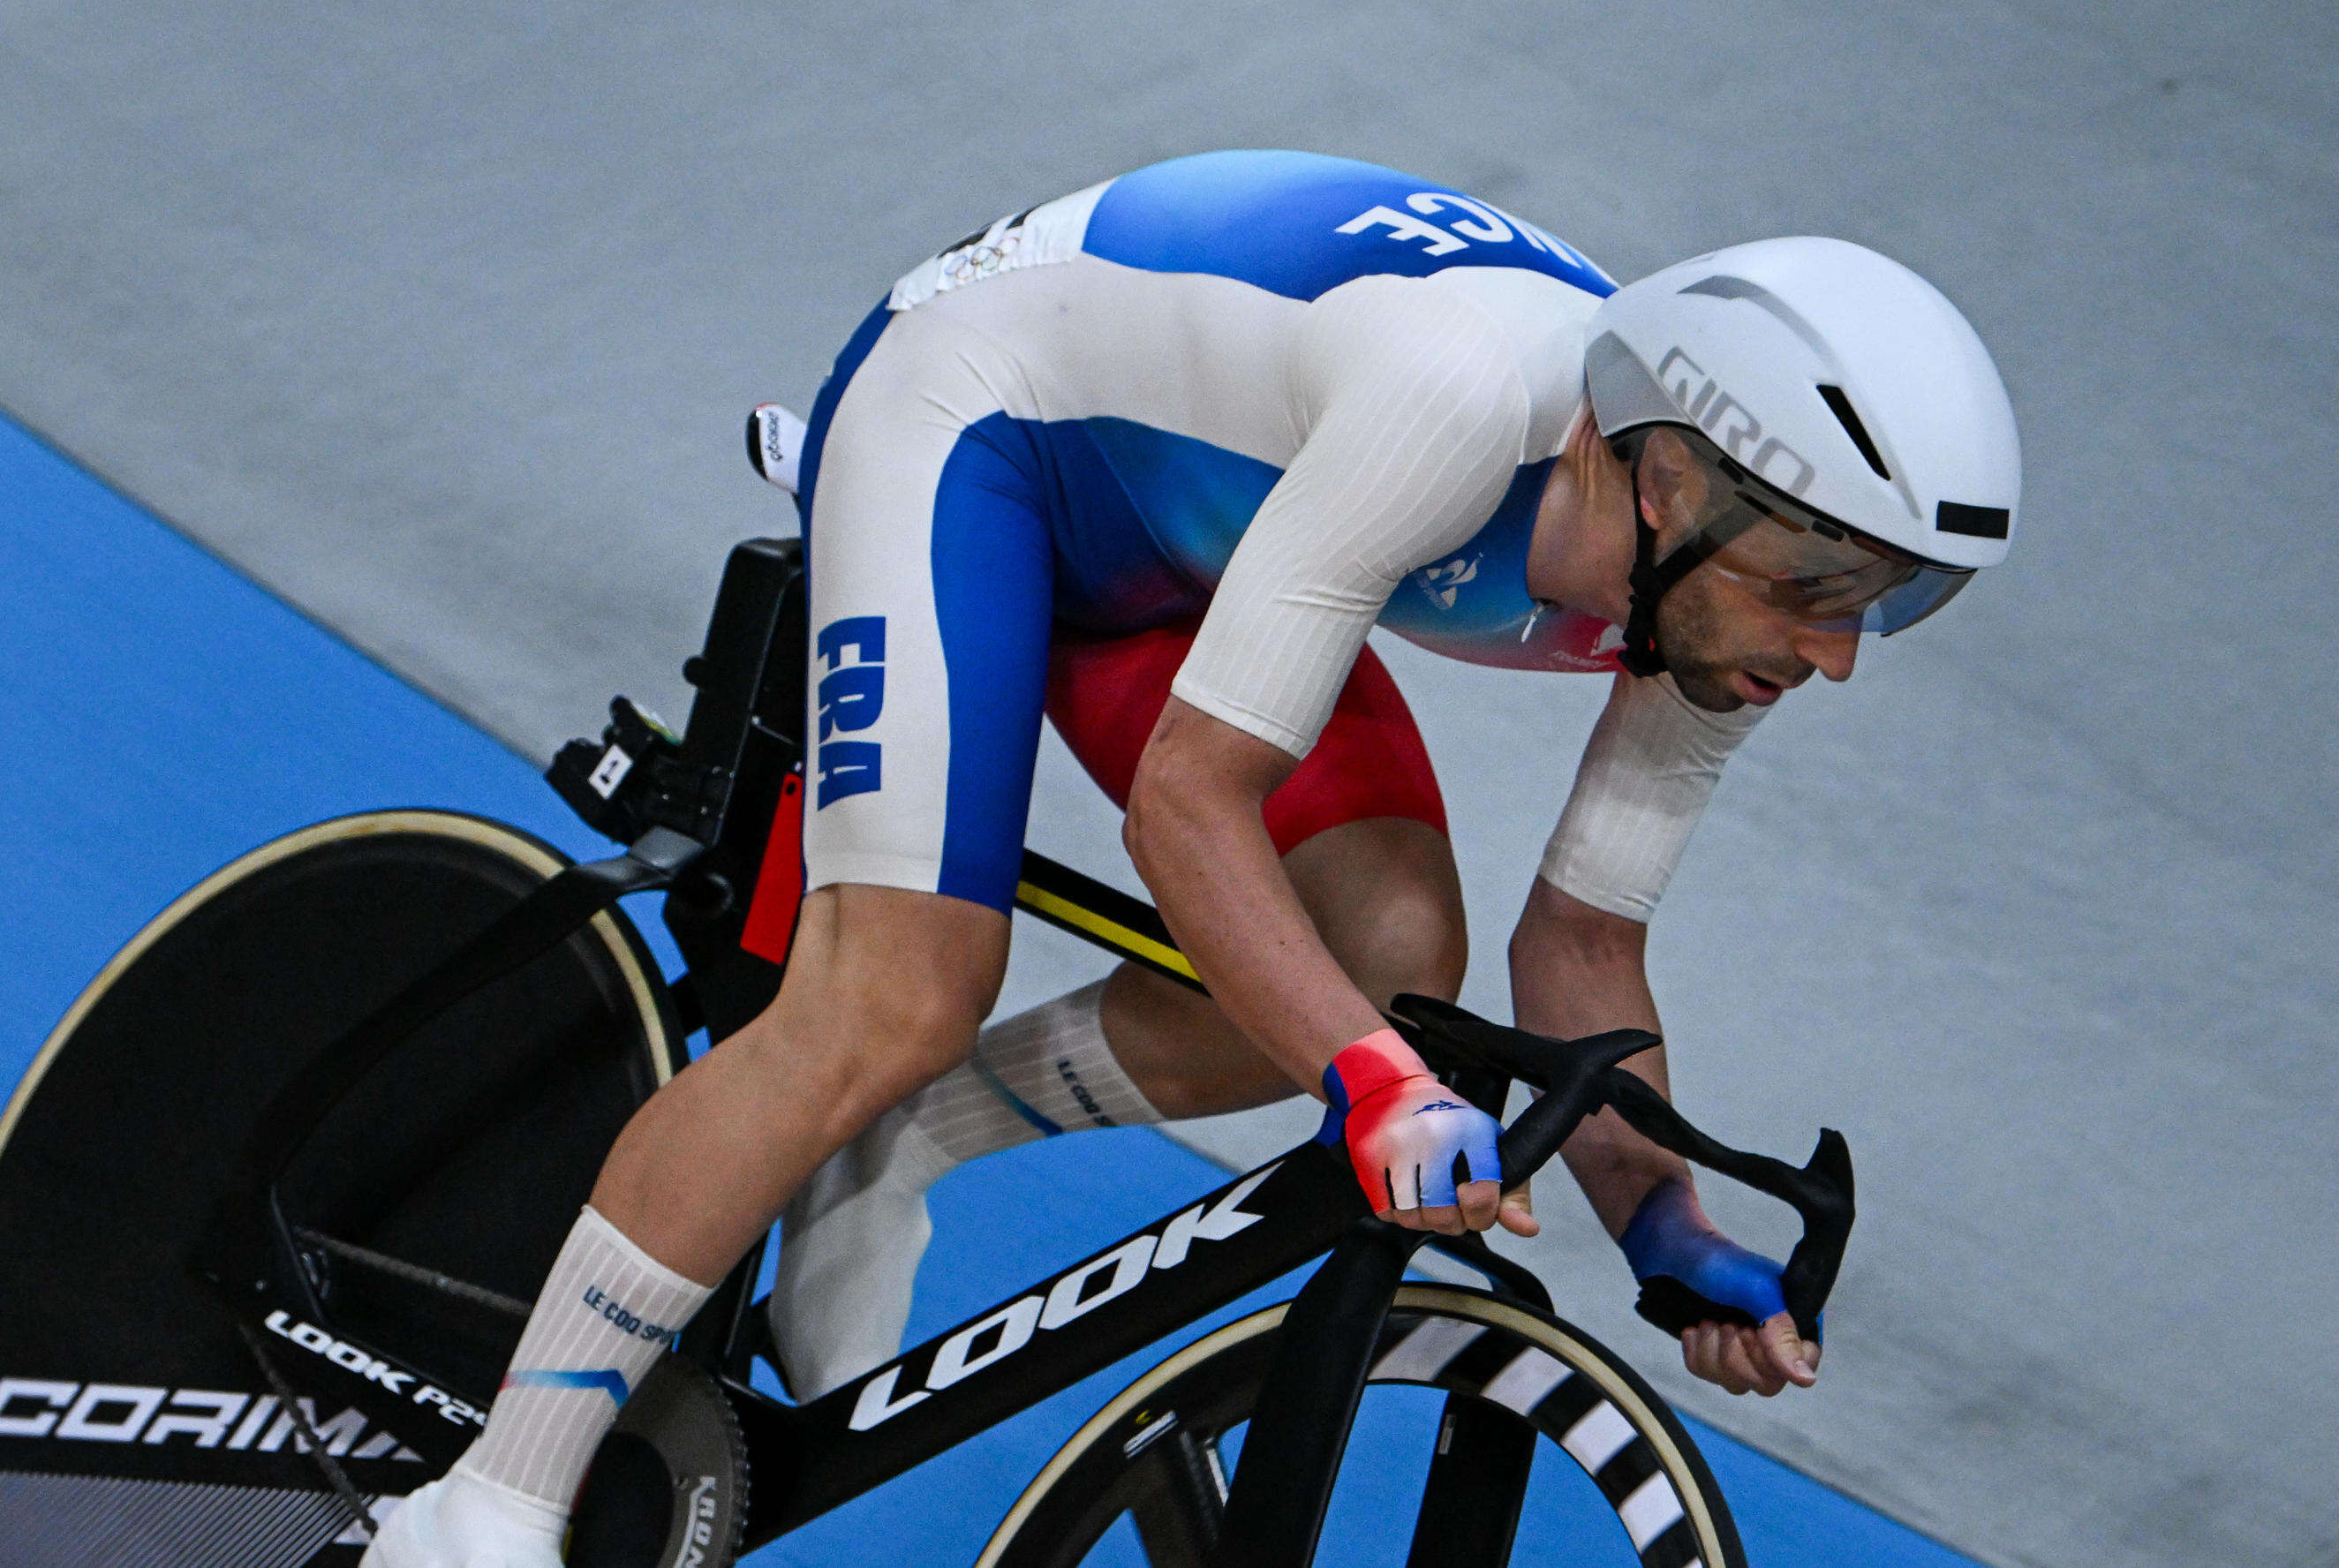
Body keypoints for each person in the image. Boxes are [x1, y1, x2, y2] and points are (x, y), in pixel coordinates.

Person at [368, 149, 2019, 1565]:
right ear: (1667, 477)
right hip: (984, 427)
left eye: (1880, 597)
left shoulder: (1706, 613)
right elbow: (1189, 805)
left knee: (1384, 960)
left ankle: (903, 1146)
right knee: (899, 991)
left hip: (1199, 539)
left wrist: (1661, 1228)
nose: (1842, 650)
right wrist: (1374, 1088)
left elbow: (1580, 953)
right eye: (1820, 585)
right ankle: (481, 1505)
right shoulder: (1459, 402)